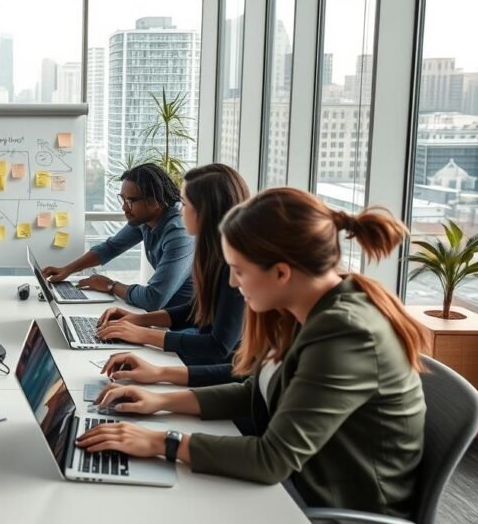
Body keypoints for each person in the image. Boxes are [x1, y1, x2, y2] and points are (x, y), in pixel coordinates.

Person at [77, 187, 429, 519]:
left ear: (281, 273)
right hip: (295, 483)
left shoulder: (347, 335)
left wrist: (160, 441)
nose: (232, 283)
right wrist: (160, 400)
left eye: (239, 270)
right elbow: (255, 392)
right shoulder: (306, 310)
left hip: (324, 505)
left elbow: (270, 460)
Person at [94, 164, 249, 387]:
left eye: (185, 204)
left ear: (206, 211)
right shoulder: (214, 252)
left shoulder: (235, 263)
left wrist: (143, 335)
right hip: (207, 363)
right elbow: (197, 309)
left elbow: (219, 347)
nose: (179, 210)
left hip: (220, 376)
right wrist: (138, 320)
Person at [41, 163, 194, 311]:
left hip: (188, 324)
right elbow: (111, 247)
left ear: (154, 201)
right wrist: (67, 270)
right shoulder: (147, 219)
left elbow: (153, 299)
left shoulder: (179, 233)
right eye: (123, 199)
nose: (124, 208)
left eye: (130, 201)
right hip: (165, 314)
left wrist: (110, 286)